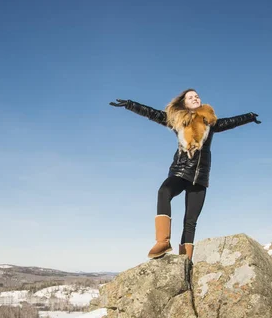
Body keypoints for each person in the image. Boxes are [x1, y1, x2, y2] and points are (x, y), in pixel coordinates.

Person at [110, 89, 261, 261]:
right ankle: (162, 241)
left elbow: (232, 121)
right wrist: (130, 104)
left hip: (201, 177)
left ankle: (185, 261)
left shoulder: (210, 121)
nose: (195, 98)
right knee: (163, 192)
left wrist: (249, 116)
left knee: (190, 221)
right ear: (184, 103)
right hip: (180, 171)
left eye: (197, 96)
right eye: (190, 97)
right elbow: (152, 113)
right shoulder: (177, 120)